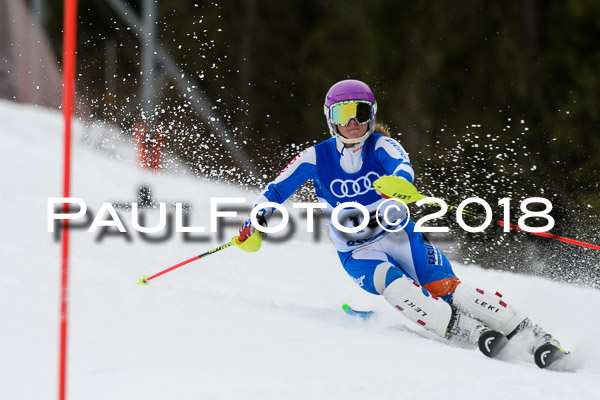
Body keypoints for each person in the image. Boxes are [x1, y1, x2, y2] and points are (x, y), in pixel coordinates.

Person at [234, 79, 566, 366]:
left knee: (444, 287)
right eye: (342, 115)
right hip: (359, 252)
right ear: (329, 119)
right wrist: (255, 221)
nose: (352, 123)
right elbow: (276, 190)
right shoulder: (316, 157)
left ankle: (530, 333)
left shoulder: (382, 145)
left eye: (360, 113)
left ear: (371, 115)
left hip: (400, 237)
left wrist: (400, 185)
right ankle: (465, 331)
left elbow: (402, 167)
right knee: (393, 284)